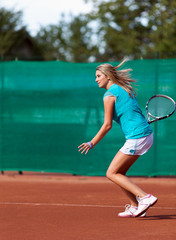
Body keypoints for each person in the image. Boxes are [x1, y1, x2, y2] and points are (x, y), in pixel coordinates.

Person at [78, 59, 158, 218]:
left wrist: (91, 143)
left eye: (98, 76)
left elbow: (107, 125)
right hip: (145, 135)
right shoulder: (124, 89)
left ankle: (144, 197)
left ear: (107, 76)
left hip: (137, 136)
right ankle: (136, 206)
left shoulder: (109, 95)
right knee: (120, 172)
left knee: (111, 173)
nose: (96, 79)